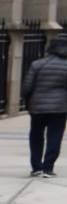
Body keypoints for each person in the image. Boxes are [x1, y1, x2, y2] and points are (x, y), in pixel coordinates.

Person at [21, 33, 67, 177]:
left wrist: (28, 101)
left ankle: (36, 167)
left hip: (37, 106)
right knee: (54, 137)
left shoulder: (37, 64)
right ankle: (48, 167)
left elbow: (27, 87)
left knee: (36, 136)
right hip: (59, 107)